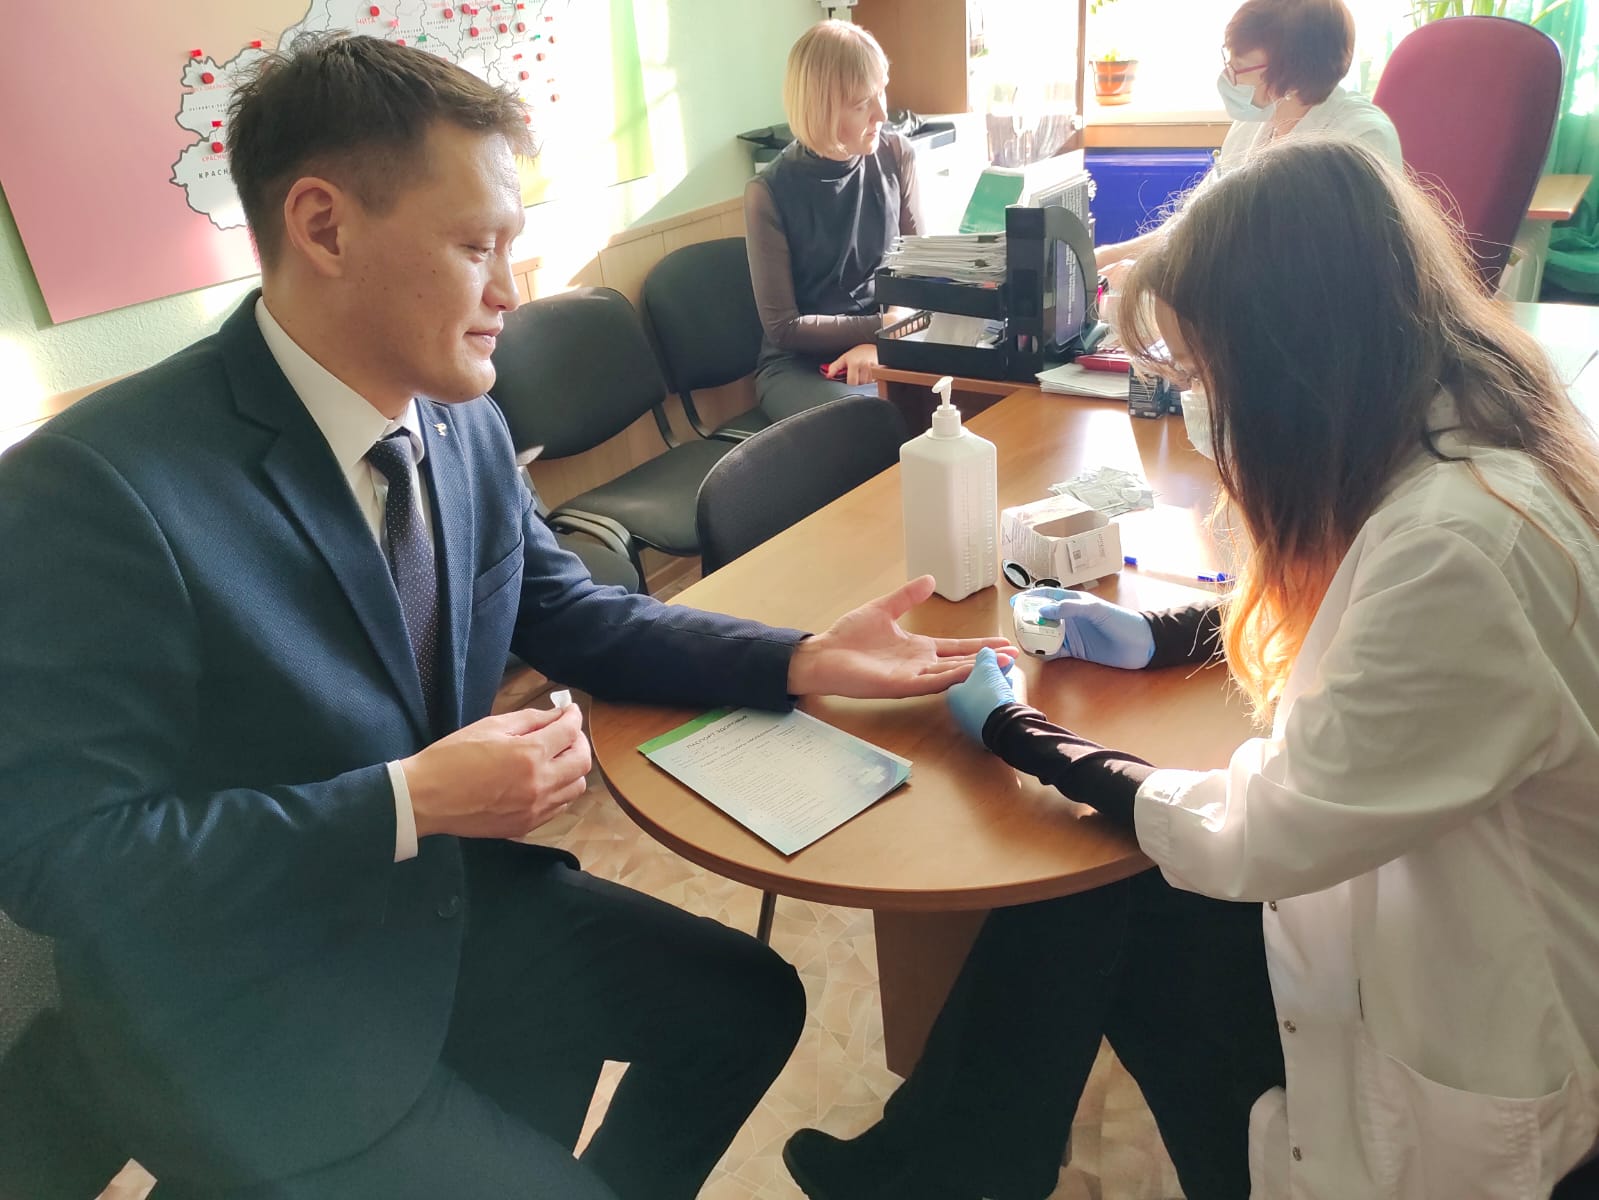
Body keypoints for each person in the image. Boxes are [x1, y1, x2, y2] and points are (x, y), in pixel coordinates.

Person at [0, 35, 1014, 1200]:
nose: (512, 294)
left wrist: (803, 659)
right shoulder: (96, 491)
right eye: (476, 246)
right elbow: (59, 861)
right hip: (258, 1016)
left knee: (746, 1005)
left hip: (448, 913)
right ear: (324, 227)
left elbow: (569, 612)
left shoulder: (458, 415)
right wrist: (406, 802)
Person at [781, 137, 1599, 1200]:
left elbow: (1260, 829)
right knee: (1091, 883)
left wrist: (1018, 732)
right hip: (1402, 898)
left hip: (1472, 1024)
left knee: (1109, 871)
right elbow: (1373, 637)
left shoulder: (1458, 549)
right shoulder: (1459, 439)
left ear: (1293, 365)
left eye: (1206, 376)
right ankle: (943, 1171)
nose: (1204, 407)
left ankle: (946, 1171)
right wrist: (1160, 631)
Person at [1095, 0, 1400, 286]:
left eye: (1239, 67)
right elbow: (1192, 224)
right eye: (1228, 60)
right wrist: (1106, 256)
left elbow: (1295, 266)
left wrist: (1154, 276)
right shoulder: (1254, 123)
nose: (1228, 76)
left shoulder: (1359, 138)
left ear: (1294, 74)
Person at [744, 20, 920, 422]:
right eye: (861, 104)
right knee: (867, 423)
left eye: (881, 92)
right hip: (800, 366)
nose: (882, 113)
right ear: (820, 108)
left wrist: (884, 339)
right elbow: (783, 327)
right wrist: (884, 326)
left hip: (889, 340)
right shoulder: (767, 192)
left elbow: (919, 272)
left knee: (957, 399)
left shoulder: (897, 154)